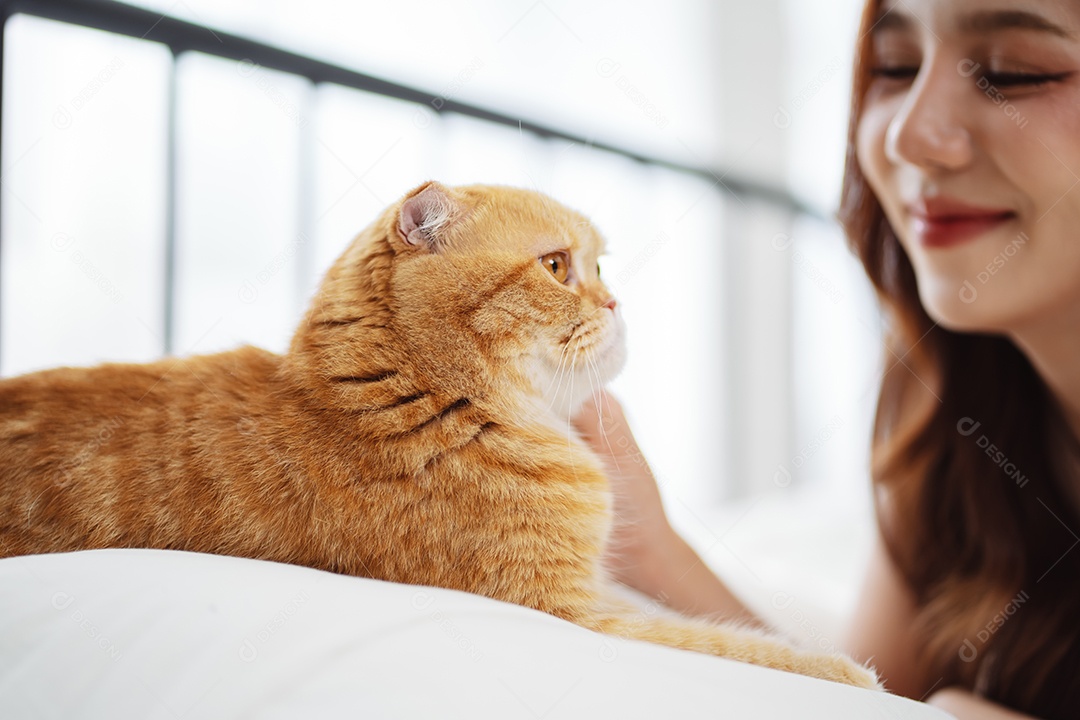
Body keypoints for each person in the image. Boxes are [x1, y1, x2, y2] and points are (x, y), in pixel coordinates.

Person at [573, 1, 1080, 718]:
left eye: (1013, 74)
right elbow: (868, 700)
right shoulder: (950, 397)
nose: (909, 136)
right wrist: (645, 545)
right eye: (897, 67)